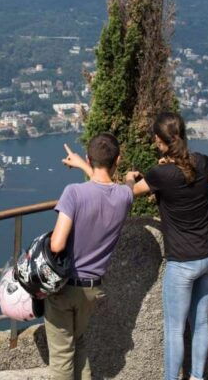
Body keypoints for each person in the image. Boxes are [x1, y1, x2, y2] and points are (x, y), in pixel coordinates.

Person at [125, 112, 208, 380]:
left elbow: (131, 193)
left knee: (174, 329)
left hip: (183, 261)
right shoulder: (200, 162)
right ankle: (196, 376)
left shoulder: (161, 174)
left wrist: (128, 177)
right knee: (200, 321)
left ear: (159, 141)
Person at [48, 132, 133, 380]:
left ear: (88, 157)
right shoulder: (124, 196)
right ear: (118, 158)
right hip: (93, 290)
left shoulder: (73, 193)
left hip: (65, 287)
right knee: (80, 342)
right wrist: (128, 178)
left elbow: (57, 244)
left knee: (62, 355)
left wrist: (81, 164)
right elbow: (113, 187)